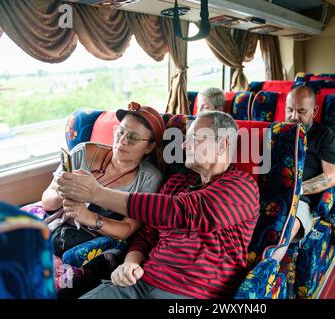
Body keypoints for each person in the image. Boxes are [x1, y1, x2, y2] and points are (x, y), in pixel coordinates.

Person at [57, 111, 260, 299]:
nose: (183, 146)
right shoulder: (175, 184)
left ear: (223, 145)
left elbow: (178, 211)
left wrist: (96, 193)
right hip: (139, 283)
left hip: (191, 293)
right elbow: (148, 235)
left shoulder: (242, 187)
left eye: (194, 139)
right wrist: (130, 263)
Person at [38, 102, 165, 297]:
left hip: (99, 238)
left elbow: (128, 229)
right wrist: (63, 191)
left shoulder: (149, 179)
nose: (122, 141)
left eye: (133, 137)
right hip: (59, 222)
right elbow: (46, 201)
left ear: (150, 146)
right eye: (120, 132)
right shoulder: (83, 152)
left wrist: (87, 216)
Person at [284, 86, 335, 245]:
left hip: (301, 200)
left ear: (314, 111)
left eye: (301, 111)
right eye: (290, 109)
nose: (294, 116)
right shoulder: (276, 132)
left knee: (288, 225)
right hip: (270, 194)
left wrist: (297, 189)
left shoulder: (325, 136)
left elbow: (332, 176)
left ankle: (266, 265)